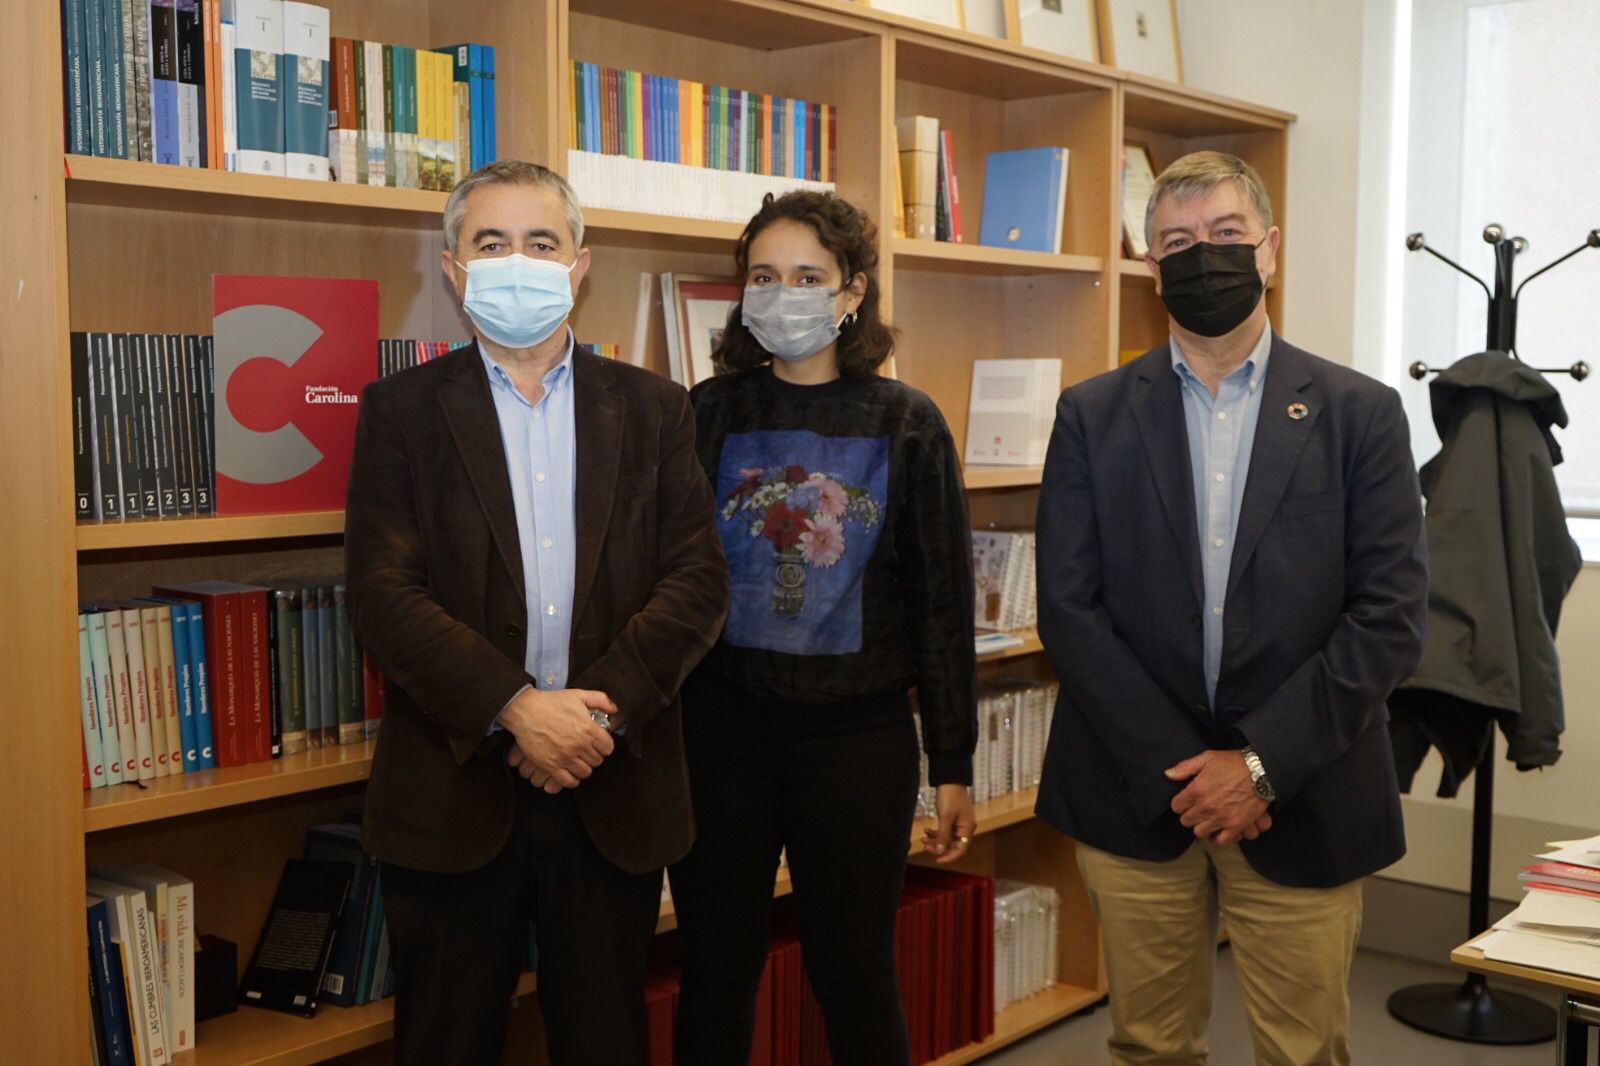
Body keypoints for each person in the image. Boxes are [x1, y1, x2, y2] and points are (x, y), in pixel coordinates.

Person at [1034, 150, 1428, 1066]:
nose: (1202, 255)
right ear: (1150, 266)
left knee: (1303, 1052)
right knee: (1149, 1047)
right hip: (1136, 794)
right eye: (1177, 242)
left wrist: (1256, 767)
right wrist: (1186, 774)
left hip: (1306, 790)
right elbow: (1069, 608)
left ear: (1270, 249)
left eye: (1225, 234)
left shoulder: (1361, 414)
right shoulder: (1091, 415)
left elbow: (1389, 616)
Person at [344, 160, 729, 1066]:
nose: (517, 262)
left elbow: (697, 582)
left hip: (610, 784)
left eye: (541, 243)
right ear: (453, 269)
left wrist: (590, 720)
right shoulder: (400, 412)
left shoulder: (656, 409)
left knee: (605, 1043)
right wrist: (517, 709)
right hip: (452, 789)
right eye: (491, 243)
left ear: (579, 266)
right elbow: (384, 596)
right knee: (445, 1046)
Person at [667, 191, 978, 1066]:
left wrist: (953, 760)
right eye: (765, 276)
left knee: (854, 974)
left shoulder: (906, 420)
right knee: (715, 969)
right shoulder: (706, 412)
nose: (785, 294)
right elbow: (668, 580)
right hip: (718, 737)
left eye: (809, 277)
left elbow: (942, 601)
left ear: (853, 292)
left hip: (856, 744)